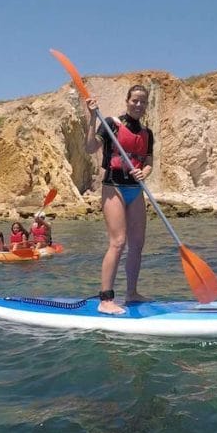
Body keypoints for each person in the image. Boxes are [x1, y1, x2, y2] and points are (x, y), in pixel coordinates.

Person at [83, 85, 154, 314]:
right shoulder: (112, 124)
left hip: (136, 189)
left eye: (143, 102)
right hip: (114, 187)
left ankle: (131, 293)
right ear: (127, 101)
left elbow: (148, 160)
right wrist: (93, 118)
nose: (138, 105)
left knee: (137, 244)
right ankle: (105, 299)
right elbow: (90, 147)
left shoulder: (147, 132)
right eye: (135, 100)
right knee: (118, 242)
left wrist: (146, 172)